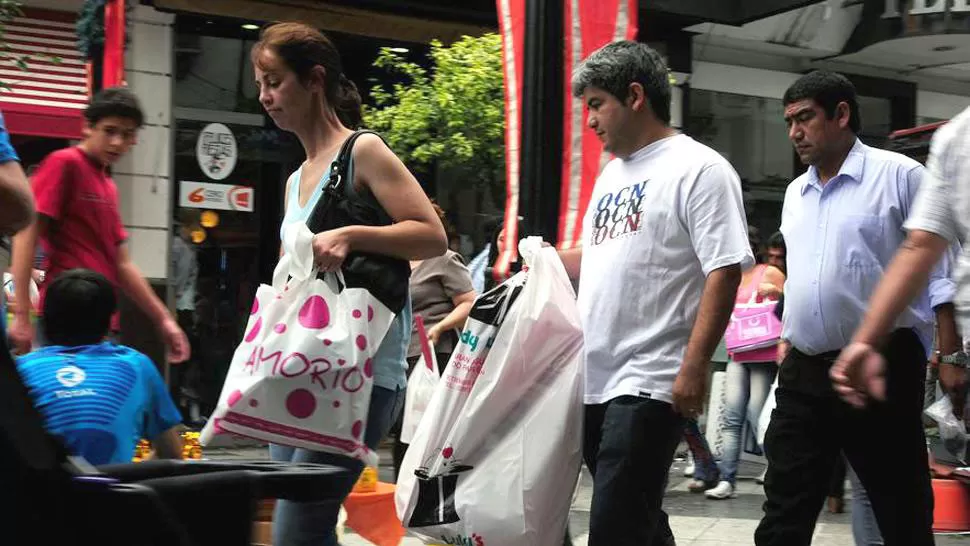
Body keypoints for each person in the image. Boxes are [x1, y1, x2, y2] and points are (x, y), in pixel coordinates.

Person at [252, 22, 447, 546]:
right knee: (301, 524)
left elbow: (431, 235)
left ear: (314, 80)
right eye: (261, 84)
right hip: (296, 366)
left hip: (359, 372)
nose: (265, 96)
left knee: (298, 527)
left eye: (274, 81)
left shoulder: (363, 151)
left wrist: (351, 234)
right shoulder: (296, 178)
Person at [560, 41, 753, 545]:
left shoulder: (701, 169)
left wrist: (693, 367)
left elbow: (724, 270)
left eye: (597, 104)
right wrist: (539, 258)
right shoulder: (609, 176)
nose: (590, 120)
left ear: (636, 96)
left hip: (651, 378)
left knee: (614, 525)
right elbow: (601, 259)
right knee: (638, 519)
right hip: (594, 377)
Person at [754, 71, 958, 546]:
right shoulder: (794, 194)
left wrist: (950, 353)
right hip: (805, 369)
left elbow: (940, 264)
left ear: (841, 114)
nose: (794, 133)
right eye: (788, 122)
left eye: (805, 118)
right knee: (784, 504)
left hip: (881, 364)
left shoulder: (901, 176)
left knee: (899, 505)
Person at [8, 88, 189, 364]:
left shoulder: (107, 185)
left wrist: (164, 320)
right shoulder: (64, 164)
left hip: (102, 319)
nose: (117, 142)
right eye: (110, 130)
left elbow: (122, 264)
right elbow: (26, 235)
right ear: (87, 127)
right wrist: (22, 315)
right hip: (65, 316)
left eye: (127, 134)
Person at [15, 269, 183, 465]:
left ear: (45, 319)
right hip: (113, 492)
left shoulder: (20, 370)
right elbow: (171, 455)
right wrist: (128, 474)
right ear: (110, 320)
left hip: (35, 492)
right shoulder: (137, 366)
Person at [393, 202, 476, 478]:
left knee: (428, 430)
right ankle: (402, 496)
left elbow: (469, 303)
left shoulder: (444, 259)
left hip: (433, 355)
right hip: (399, 356)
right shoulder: (395, 261)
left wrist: (441, 326)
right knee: (402, 431)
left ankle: (428, 494)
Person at [706, 232, 785, 500]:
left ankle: (779, 469)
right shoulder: (732, 276)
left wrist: (776, 292)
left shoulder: (769, 272)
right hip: (738, 353)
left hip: (762, 354)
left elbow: (789, 302)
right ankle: (727, 479)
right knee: (732, 418)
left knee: (757, 416)